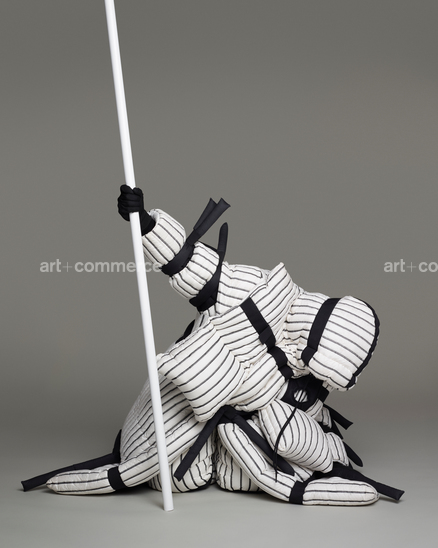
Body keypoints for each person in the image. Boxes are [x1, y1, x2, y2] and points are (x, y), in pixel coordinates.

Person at [22, 186, 403, 505]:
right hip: (186, 408)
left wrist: (325, 449)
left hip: (241, 428)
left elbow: (302, 408)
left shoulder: (304, 373)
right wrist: (148, 224)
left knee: (262, 448)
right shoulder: (254, 294)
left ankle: (307, 477)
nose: (317, 375)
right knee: (176, 476)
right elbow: (192, 265)